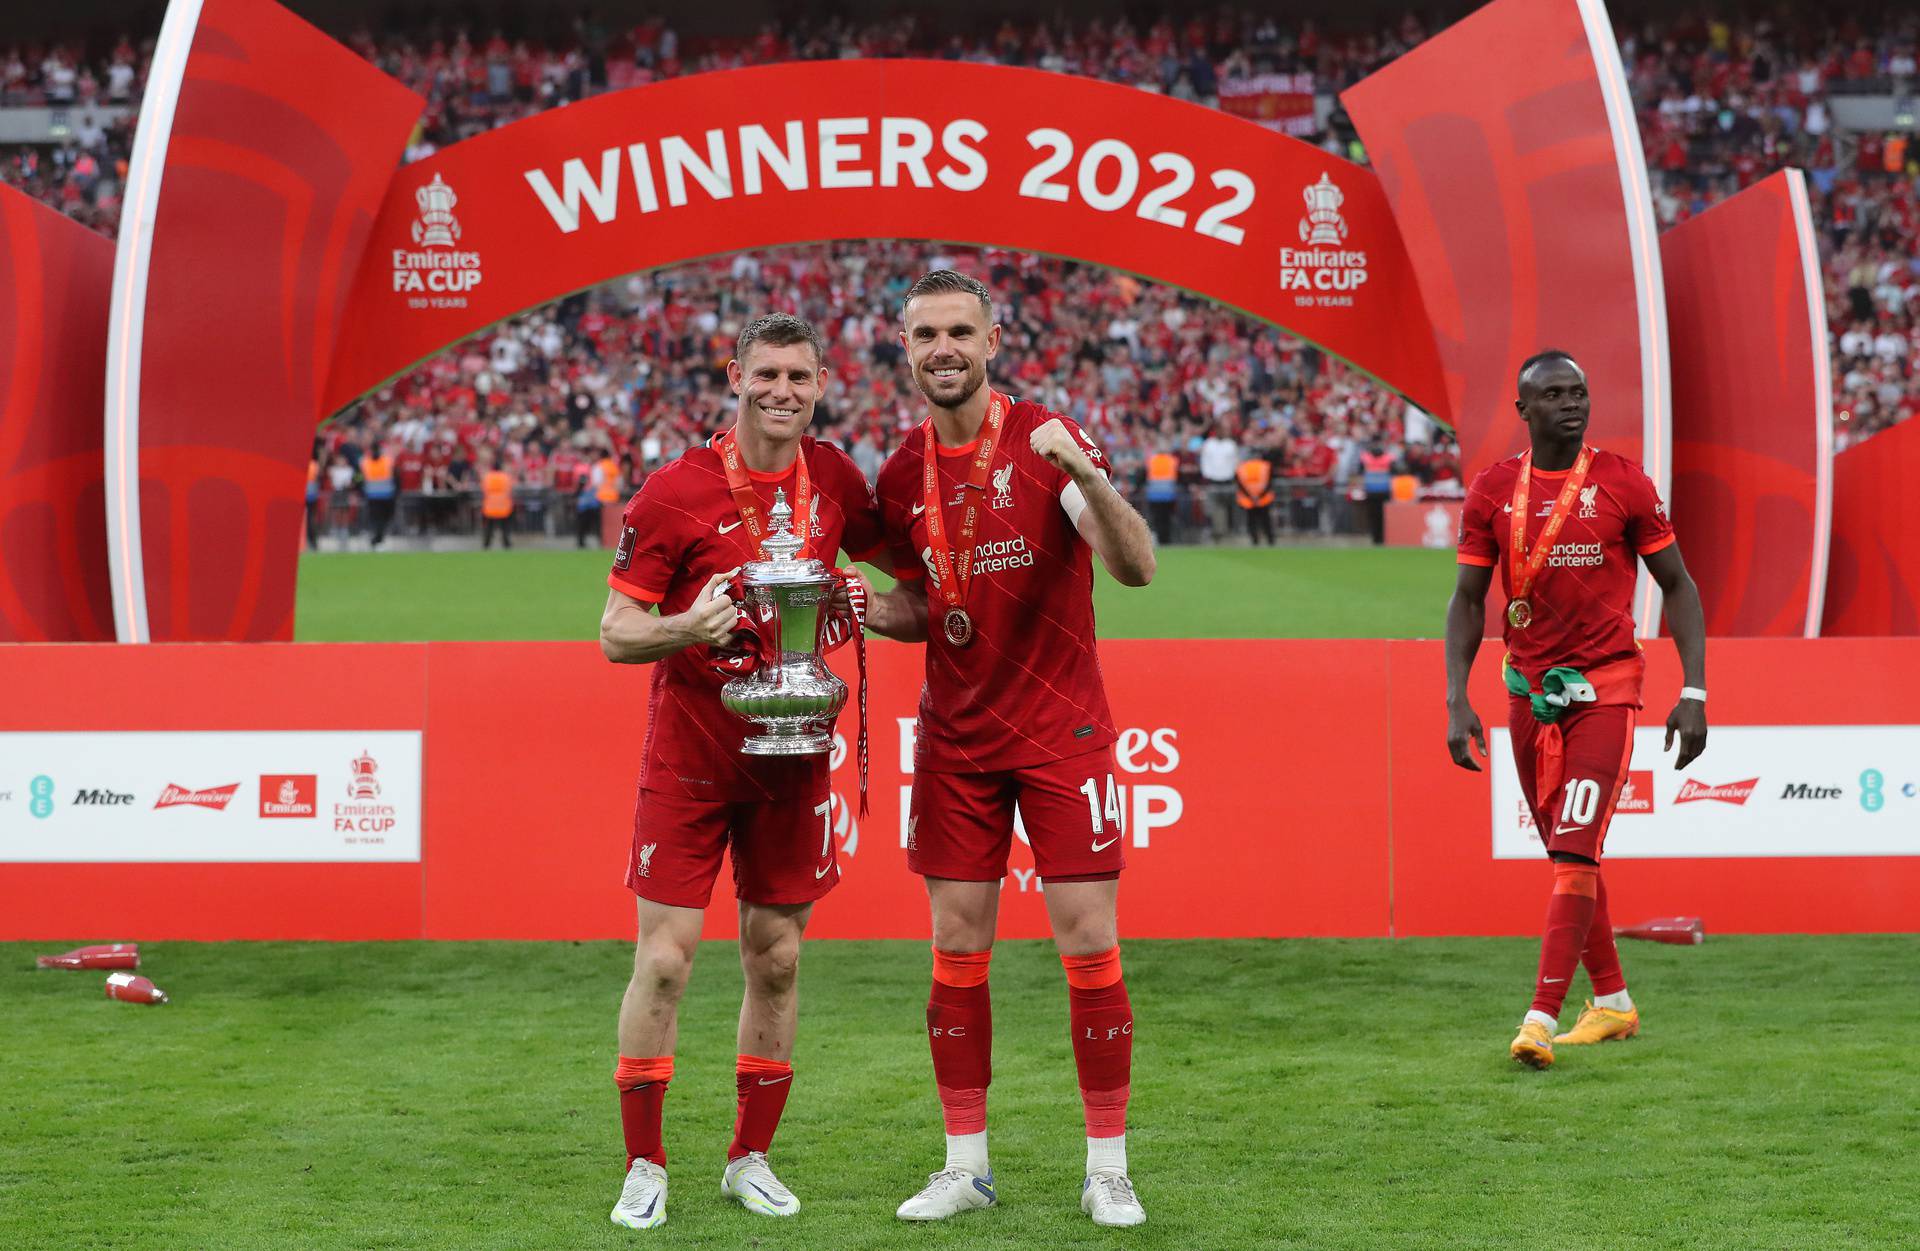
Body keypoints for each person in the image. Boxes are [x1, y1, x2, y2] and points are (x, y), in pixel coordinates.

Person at [861, 270, 1158, 1229]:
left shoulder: (1045, 443)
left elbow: (1136, 566)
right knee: (955, 948)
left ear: (993, 342)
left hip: (1063, 732)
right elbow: (927, 601)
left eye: (959, 332)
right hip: (955, 741)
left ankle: (1106, 1166)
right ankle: (965, 1164)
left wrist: (1088, 476)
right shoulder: (902, 472)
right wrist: (870, 608)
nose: (942, 349)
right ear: (905, 350)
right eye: (924, 335)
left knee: (1088, 942)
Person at [597, 313, 886, 1230]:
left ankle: (748, 1157)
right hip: (689, 755)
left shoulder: (836, 479)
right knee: (668, 961)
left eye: (800, 377)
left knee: (779, 956)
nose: (783, 392)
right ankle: (645, 1164)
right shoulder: (675, 490)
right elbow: (614, 631)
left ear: (822, 384)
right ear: (735, 376)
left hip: (792, 754)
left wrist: (862, 602)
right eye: (767, 375)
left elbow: (895, 574)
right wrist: (687, 626)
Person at [1443, 350, 1708, 1070]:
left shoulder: (1624, 481)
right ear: (1524, 409)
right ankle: (1615, 1001)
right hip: (1528, 693)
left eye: (1580, 392)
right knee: (1573, 851)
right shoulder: (1493, 491)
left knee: (1570, 850)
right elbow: (1469, 600)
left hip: (1607, 688)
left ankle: (1538, 1017)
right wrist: (1456, 697)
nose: (1572, 404)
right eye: (1554, 394)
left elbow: (1679, 585)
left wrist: (1694, 689)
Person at [360, 439, 398, 548]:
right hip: (382, 496)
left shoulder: (366, 462)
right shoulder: (387, 461)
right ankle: (378, 539)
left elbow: (359, 478)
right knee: (380, 519)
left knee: (379, 519)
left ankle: (377, 538)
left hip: (379, 496)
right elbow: (396, 477)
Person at [1235, 451, 1277, 545]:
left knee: (1251, 521)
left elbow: (1240, 484)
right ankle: (1270, 540)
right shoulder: (1265, 466)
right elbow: (1269, 482)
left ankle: (1255, 540)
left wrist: (1251, 497)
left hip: (1248, 499)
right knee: (1265, 520)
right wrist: (1259, 496)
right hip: (1263, 498)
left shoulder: (1242, 467)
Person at [480, 453, 514, 549]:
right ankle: (506, 543)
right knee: (505, 527)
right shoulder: (506, 477)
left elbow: (484, 490)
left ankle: (486, 544)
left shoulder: (487, 477)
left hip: (490, 506)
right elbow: (509, 490)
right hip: (504, 506)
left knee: (489, 527)